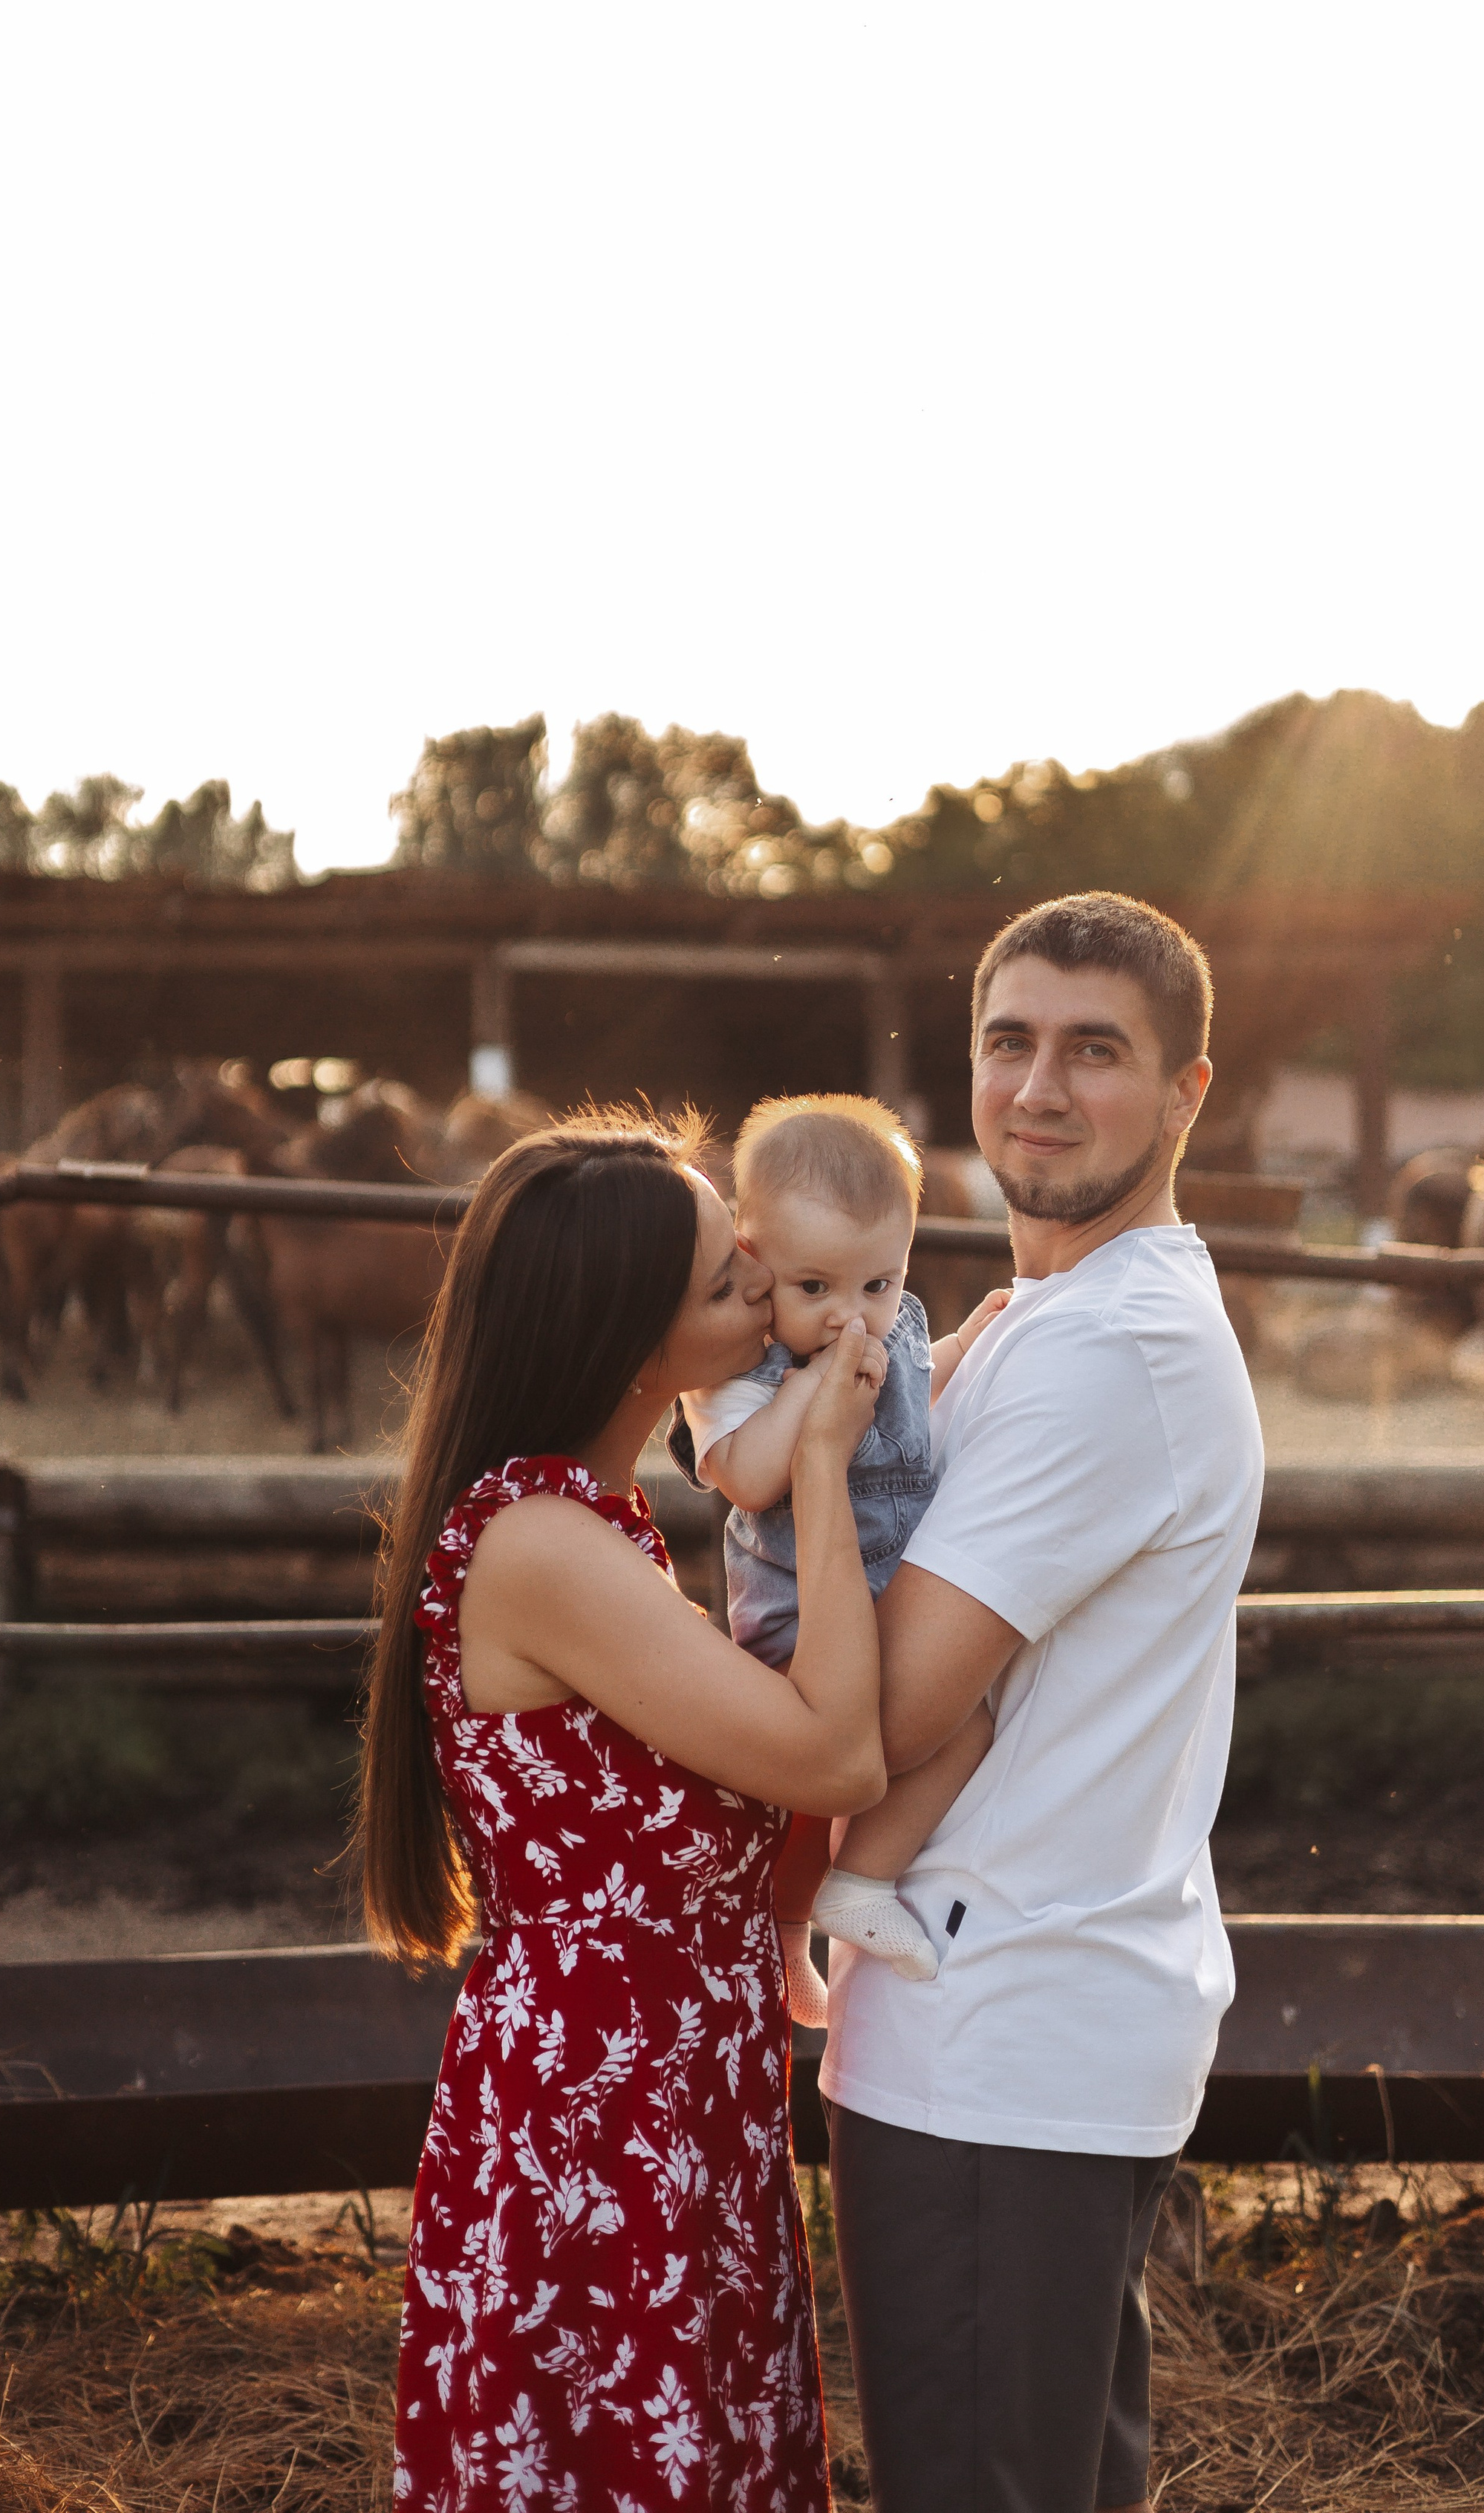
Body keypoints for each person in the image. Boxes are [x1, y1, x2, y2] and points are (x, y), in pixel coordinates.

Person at [357, 1110, 888, 2513]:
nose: (768, 1285)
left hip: (671, 2084)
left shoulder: (599, 1522)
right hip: (604, 2109)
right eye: (731, 1278)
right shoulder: (542, 1547)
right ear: (633, 1341)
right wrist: (824, 1466)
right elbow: (832, 1754)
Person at [822, 893, 1266, 2513]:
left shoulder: (1106, 1348)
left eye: (1096, 1049)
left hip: (998, 2018)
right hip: (1032, 2007)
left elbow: (876, 1704)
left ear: (1185, 1090)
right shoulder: (1046, 1323)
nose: (1039, 1087)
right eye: (1008, 1040)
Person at [667, 1092, 1009, 2025]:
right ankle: (786, 1935)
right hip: (796, 1621)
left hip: (893, 1598)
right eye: (812, 1288)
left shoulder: (890, 1329)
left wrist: (962, 1346)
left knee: (966, 1726)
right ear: (752, 1255)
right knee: (801, 1797)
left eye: (877, 1284)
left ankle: (862, 1881)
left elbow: (912, 1391)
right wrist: (812, 1408)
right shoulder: (738, 1371)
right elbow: (739, 1476)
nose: (849, 1316)